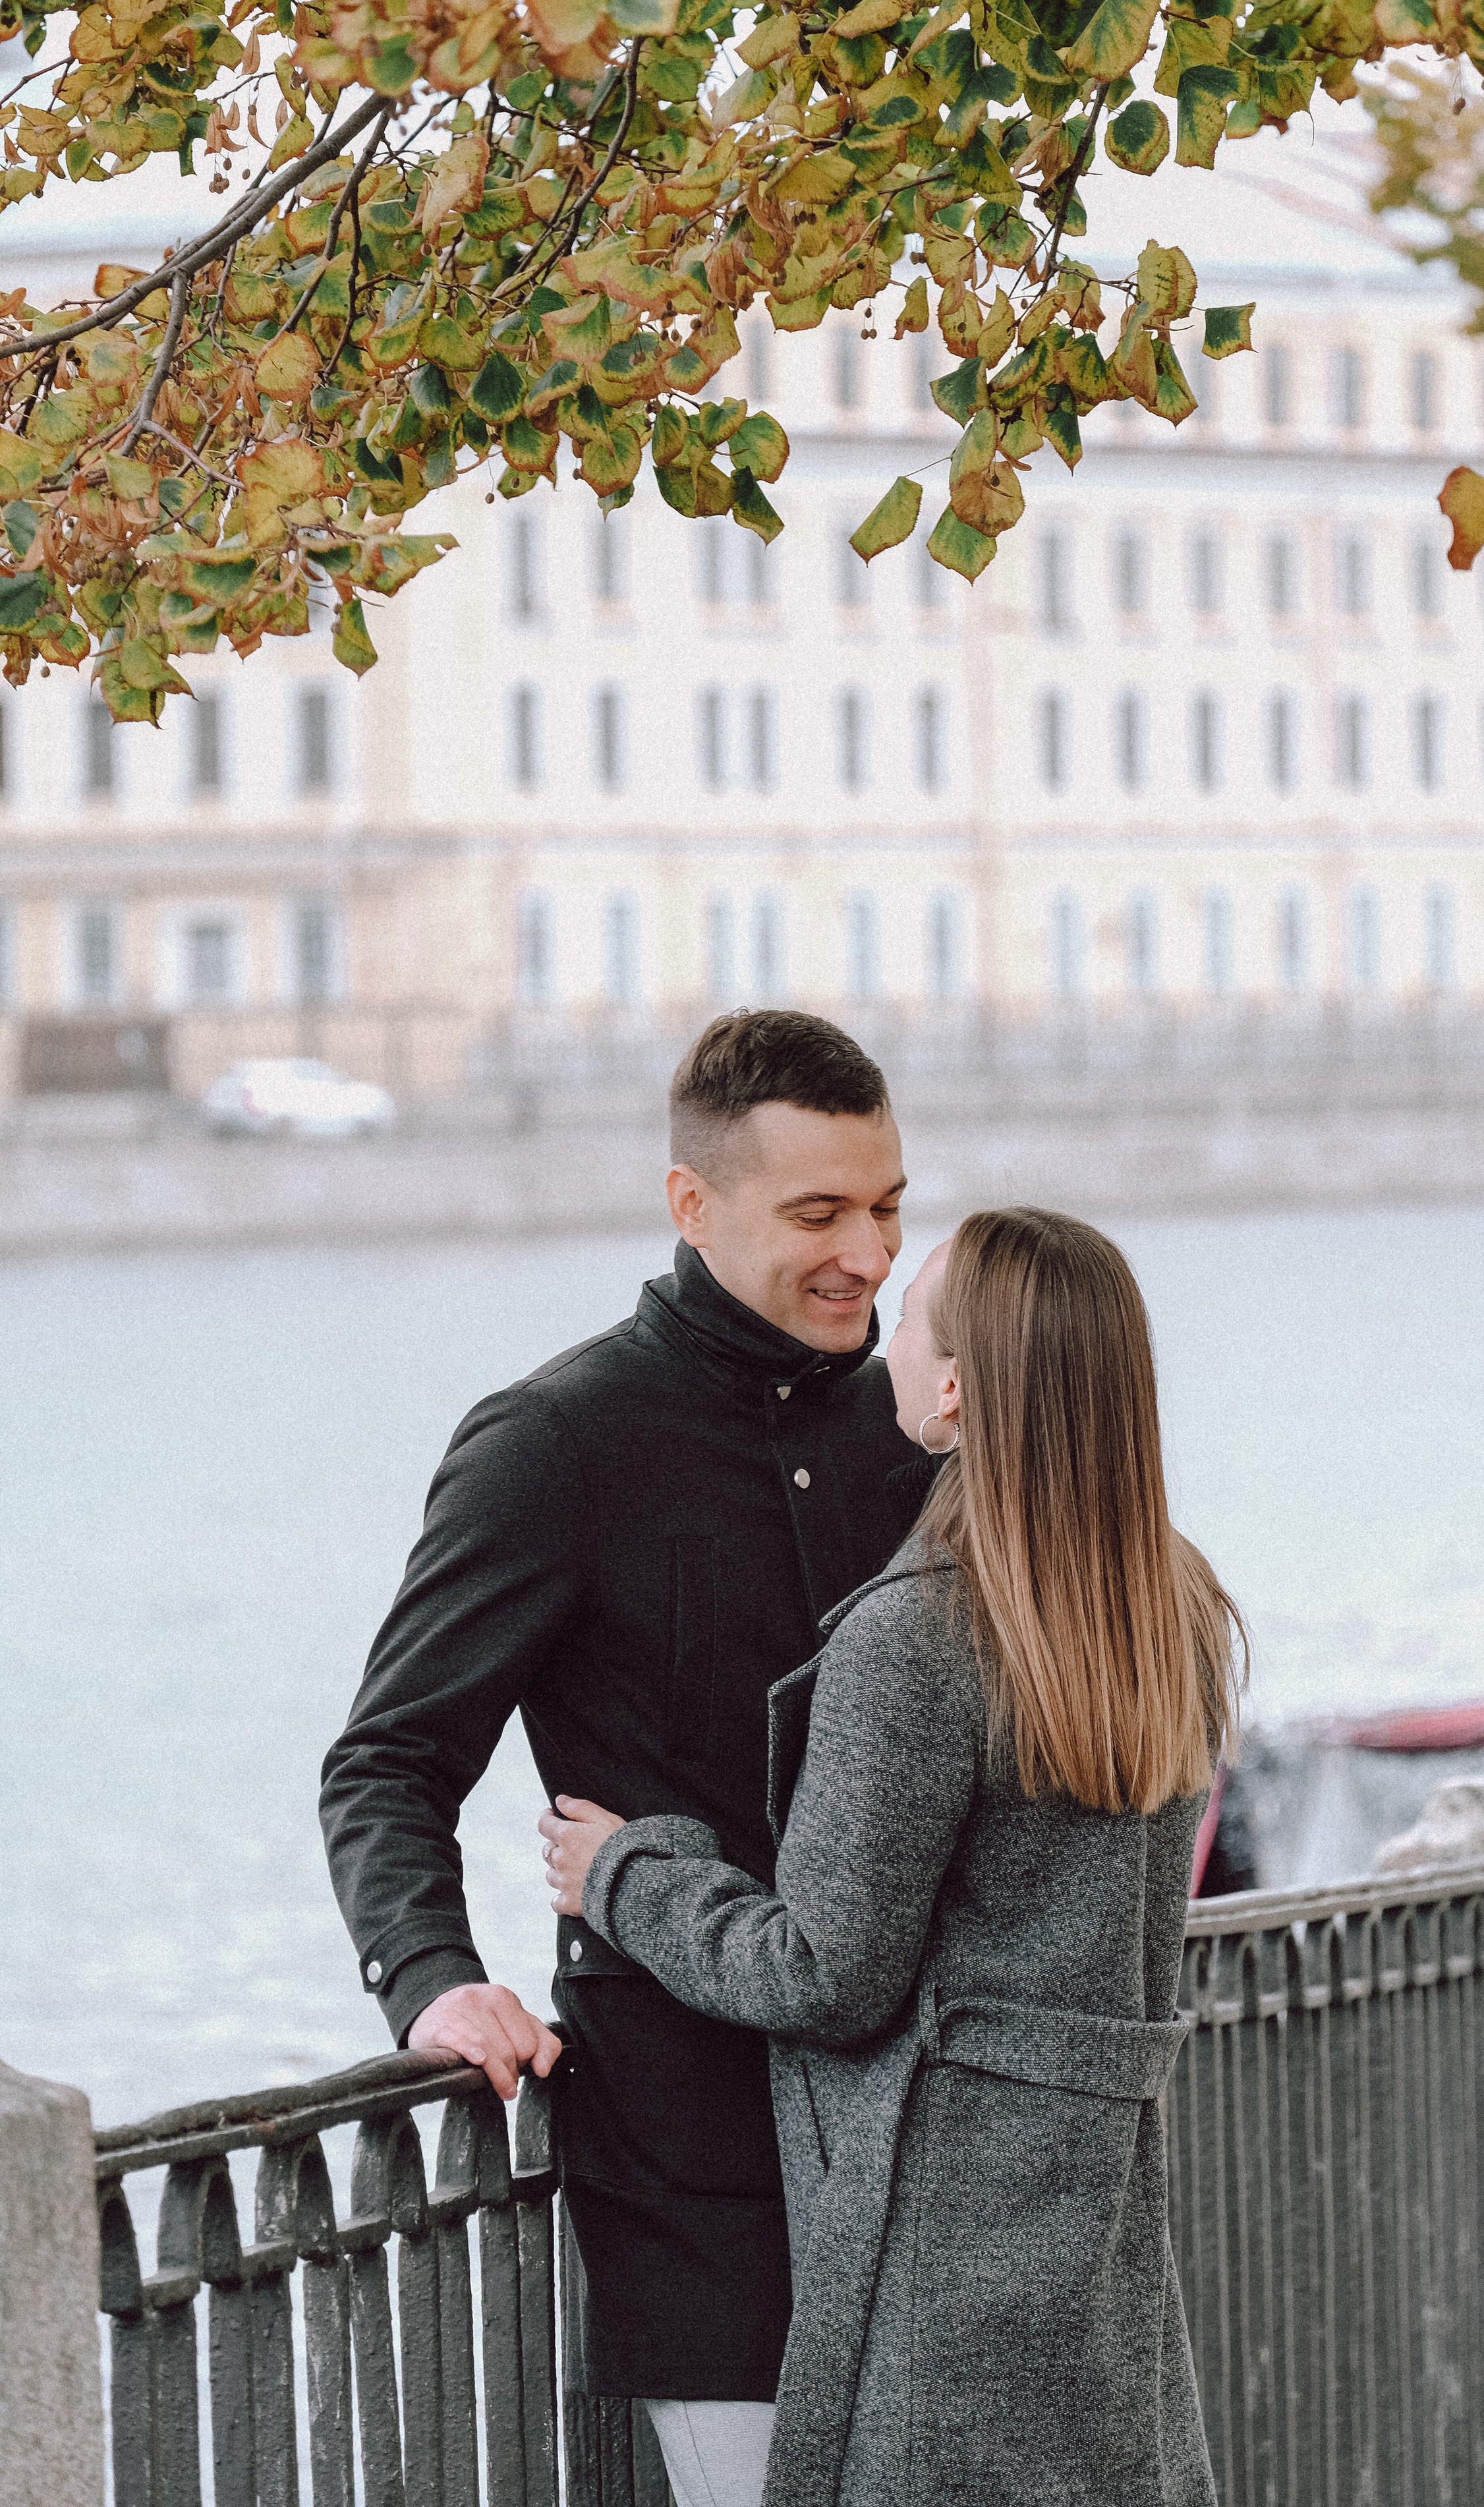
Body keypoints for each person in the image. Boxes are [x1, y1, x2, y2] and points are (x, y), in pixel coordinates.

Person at [320, 1011, 936, 2507]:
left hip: (931, 2140)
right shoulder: (552, 1441)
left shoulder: (923, 1429)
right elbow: (391, 1761)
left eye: (886, 1208)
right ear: (690, 1206)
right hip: (692, 2159)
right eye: (818, 1215)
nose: (866, 1252)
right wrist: (430, 1974)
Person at [542, 1207, 1245, 2507]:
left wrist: (630, 1876)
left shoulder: (917, 1637)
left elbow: (824, 1971)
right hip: (1095, 2236)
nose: (887, 1342)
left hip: (939, 2260)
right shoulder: (1173, 1611)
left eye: (911, 1320)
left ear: (958, 1386)